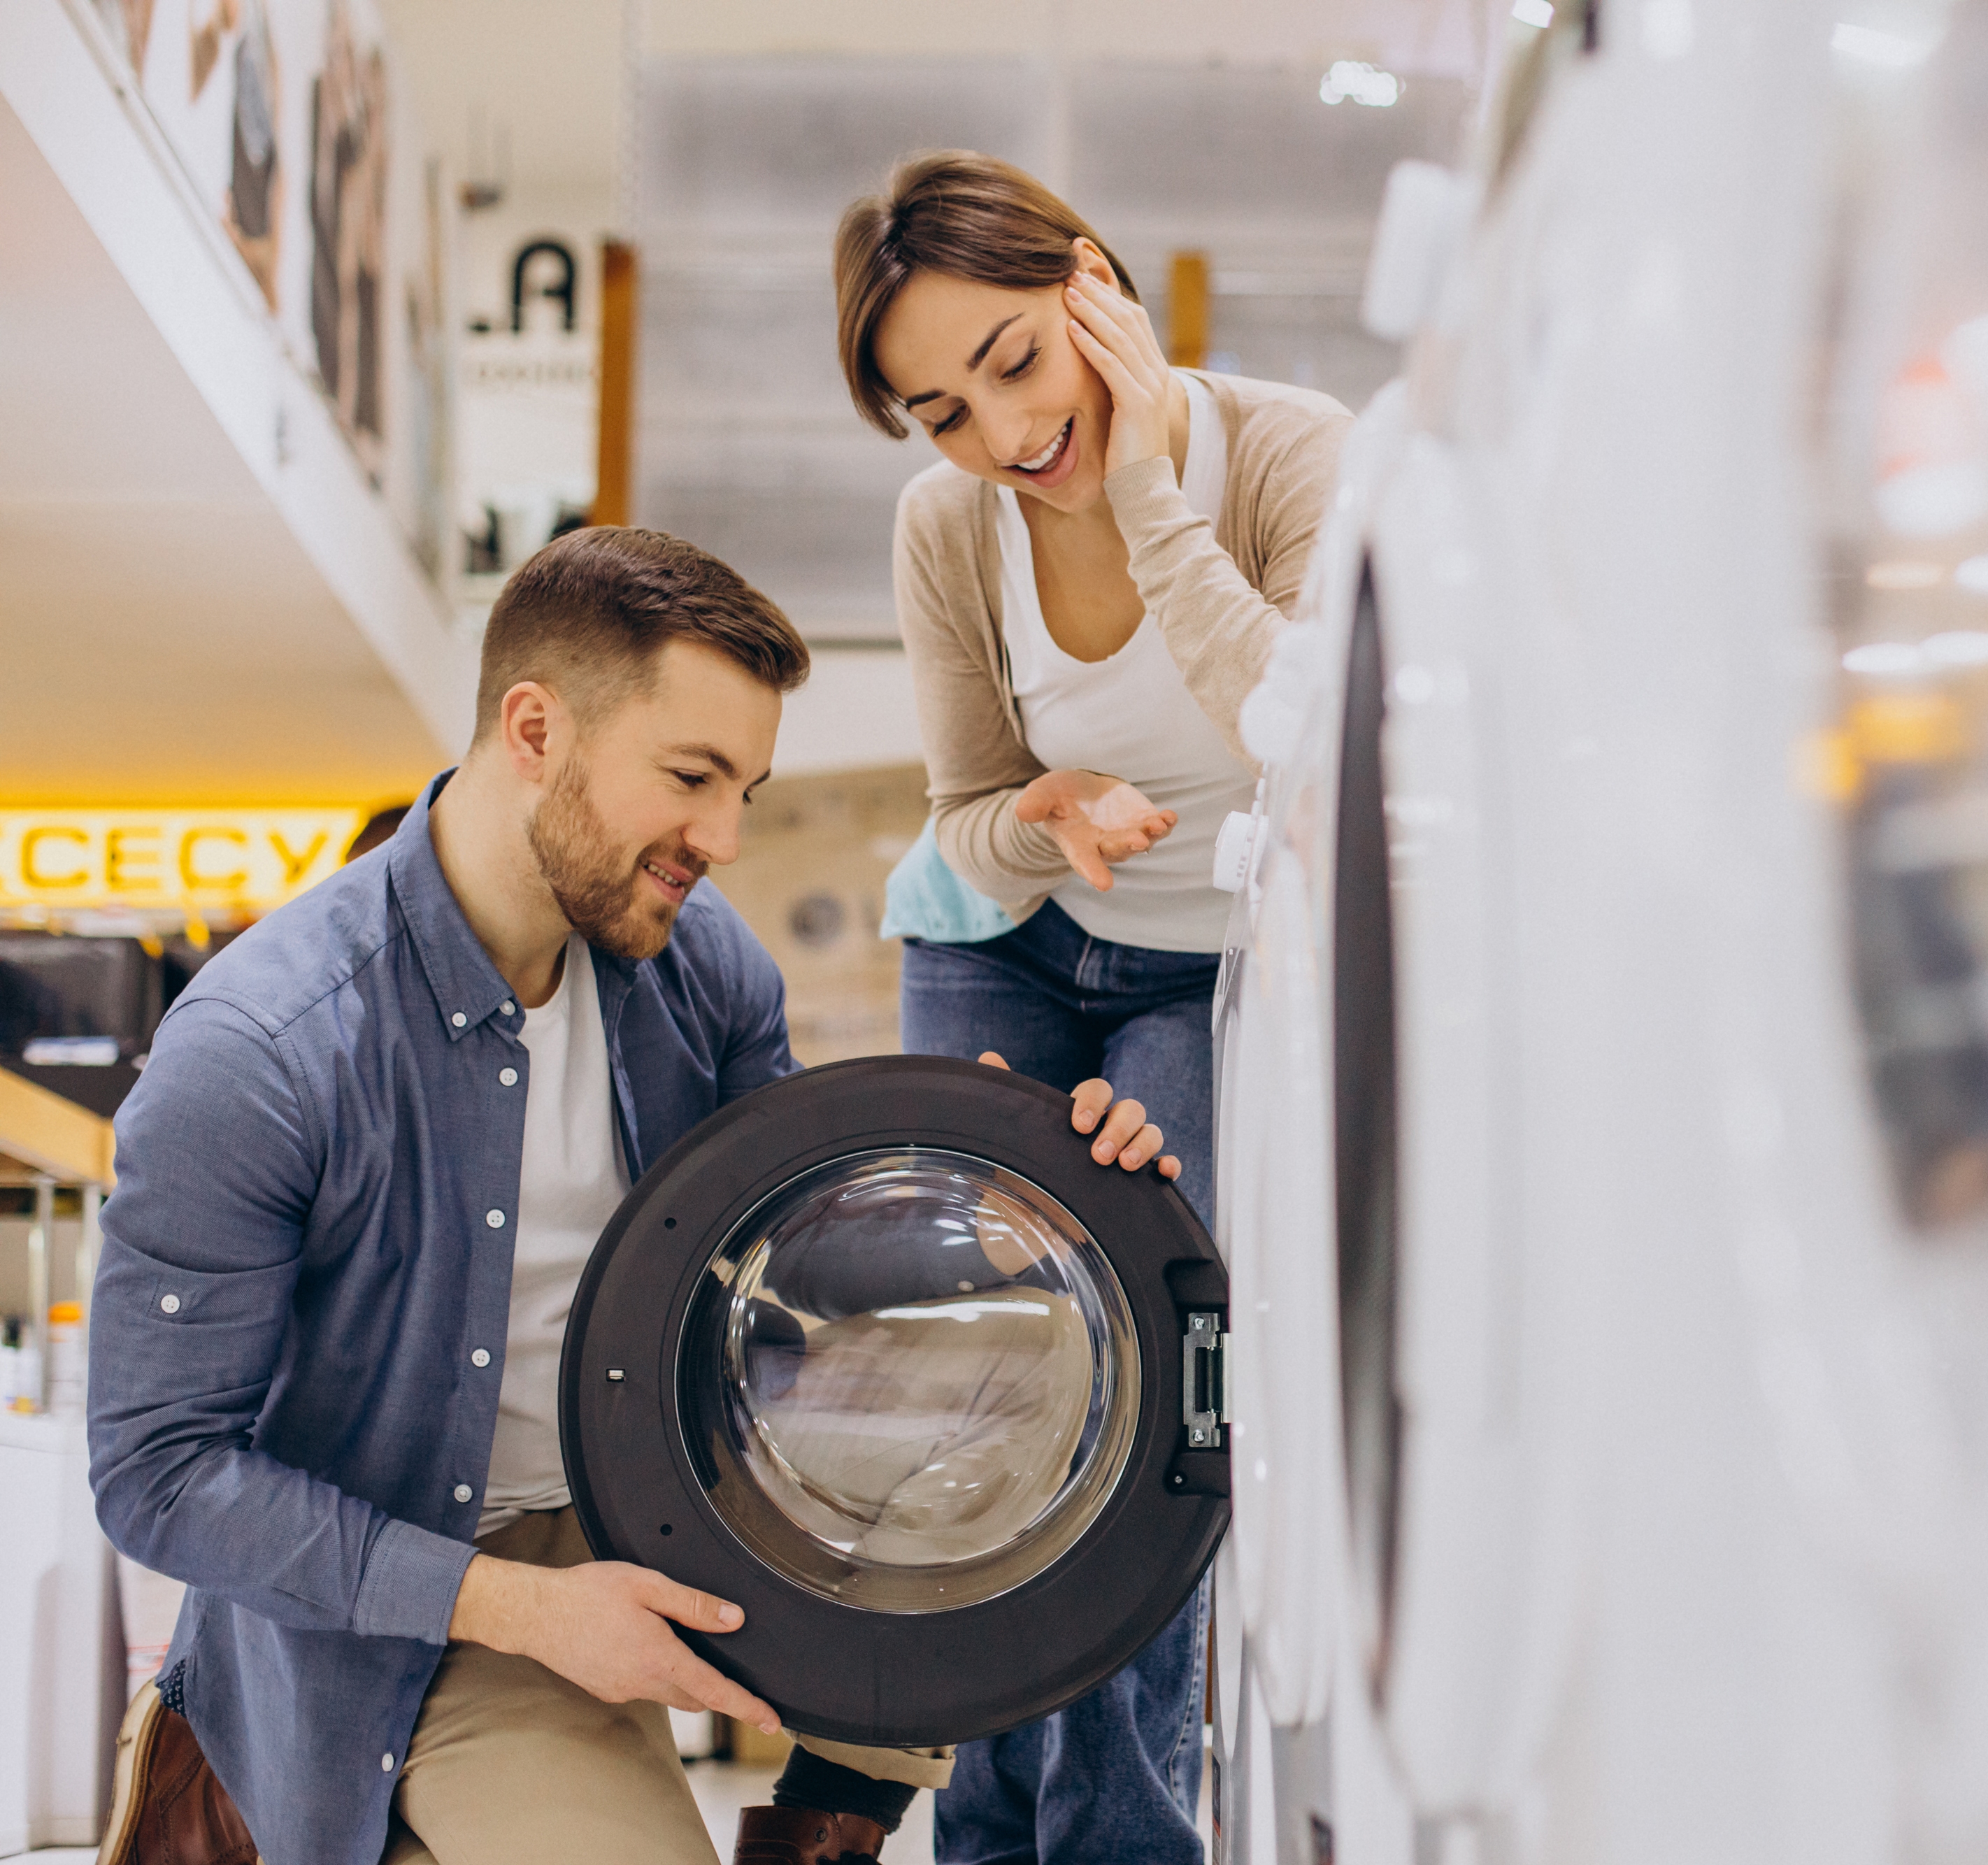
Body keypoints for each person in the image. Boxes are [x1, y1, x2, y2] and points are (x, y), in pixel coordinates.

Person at [85, 526, 1182, 1865]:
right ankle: (275, 1772)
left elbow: (796, 1271)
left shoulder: (692, 965)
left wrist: (1012, 1188)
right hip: (432, 1593)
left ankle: (828, 1829)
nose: (720, 838)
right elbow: (159, 1474)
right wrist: (532, 1614)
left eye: (748, 792)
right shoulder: (263, 1052)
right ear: (535, 729)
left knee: (1011, 1379)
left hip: (663, 1495)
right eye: (690, 778)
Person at [766, 150, 1350, 1865]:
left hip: (1205, 966)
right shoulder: (949, 524)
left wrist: (1153, 486)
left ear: (1093, 281)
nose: (1002, 436)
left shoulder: (1294, 452)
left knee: (1152, 1387)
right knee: (973, 1361)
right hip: (1010, 940)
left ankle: (1121, 1839)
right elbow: (962, 813)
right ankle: (976, 1824)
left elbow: (1294, 734)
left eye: (1017, 361)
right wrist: (1038, 817)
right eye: (940, 409)